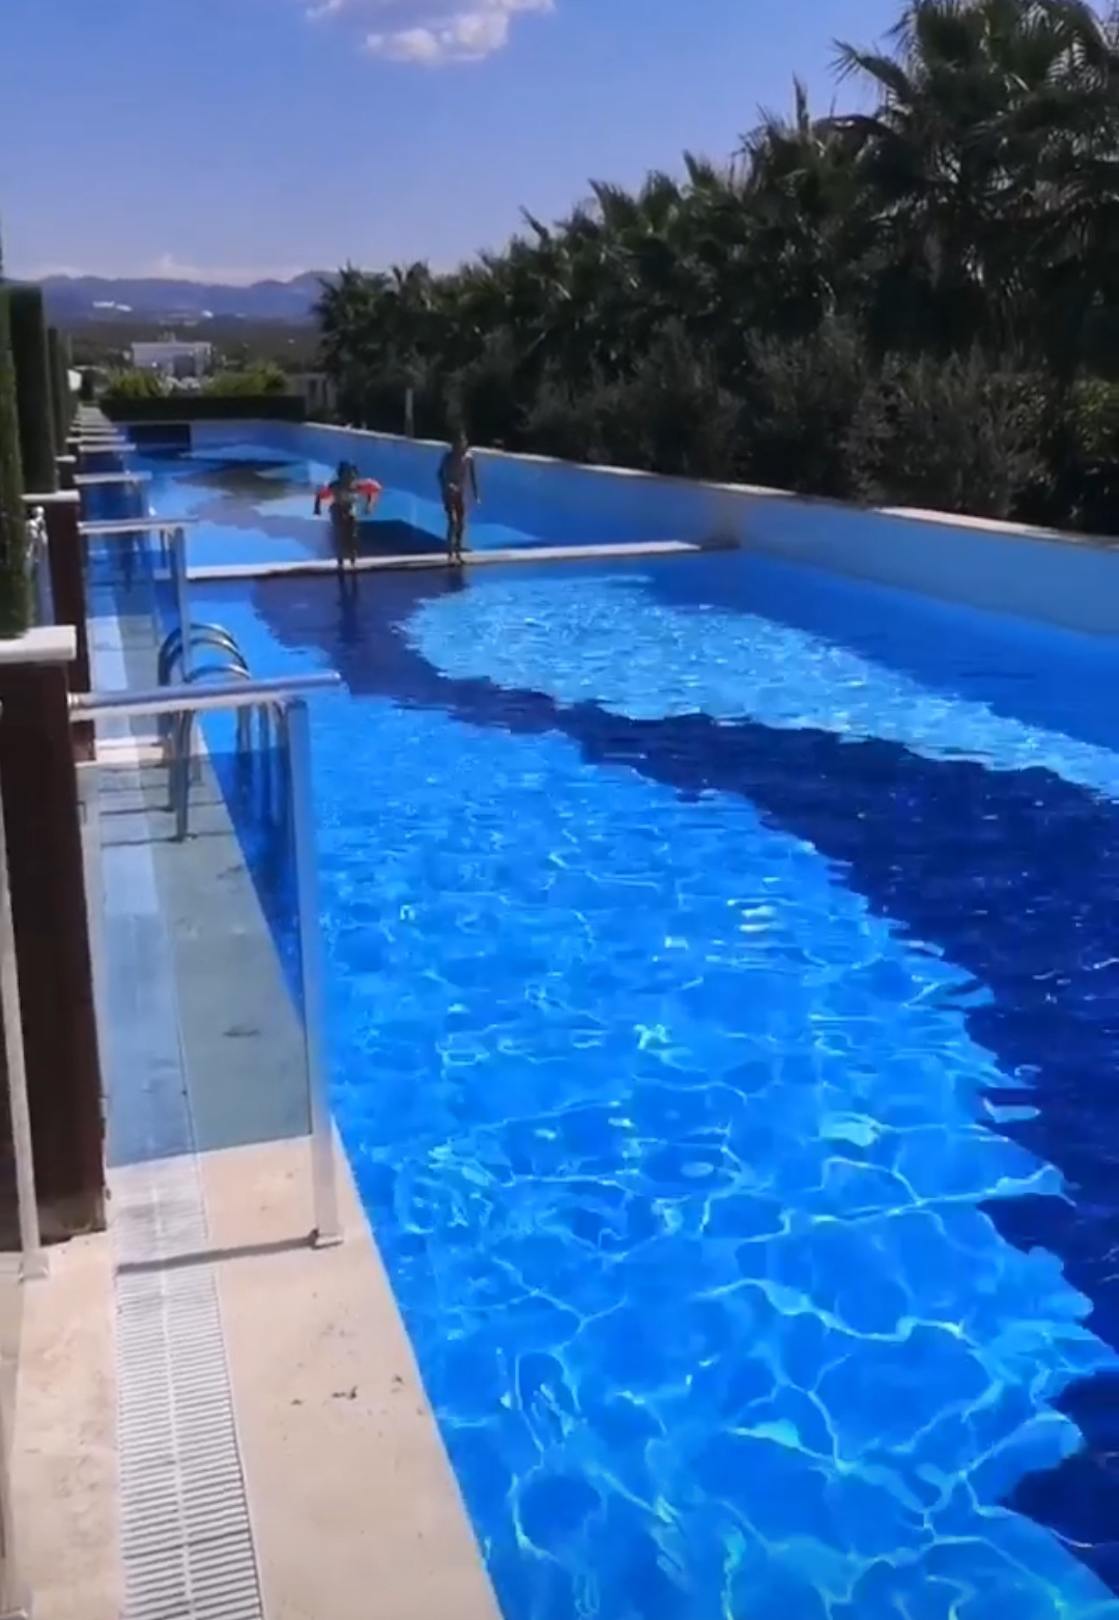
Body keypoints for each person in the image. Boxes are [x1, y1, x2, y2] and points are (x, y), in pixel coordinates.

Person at [314, 461, 375, 574]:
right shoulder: (335, 486)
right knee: (340, 536)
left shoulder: (357, 486)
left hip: (350, 510)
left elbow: (370, 491)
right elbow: (319, 495)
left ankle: (352, 559)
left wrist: (369, 505)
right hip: (337, 510)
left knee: (352, 535)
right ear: (341, 475)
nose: (350, 478)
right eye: (347, 475)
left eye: (352, 475)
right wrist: (317, 508)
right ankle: (340, 561)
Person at [438, 433, 480, 565]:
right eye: (458, 442)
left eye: (463, 442)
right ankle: (450, 553)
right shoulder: (448, 457)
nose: (461, 445)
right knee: (453, 521)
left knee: (461, 523)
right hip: (448, 493)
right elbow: (440, 474)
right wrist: (447, 485)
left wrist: (476, 494)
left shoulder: (469, 458)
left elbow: (472, 476)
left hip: (460, 494)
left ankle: (458, 552)